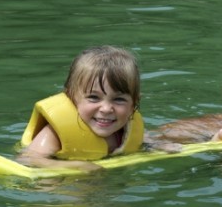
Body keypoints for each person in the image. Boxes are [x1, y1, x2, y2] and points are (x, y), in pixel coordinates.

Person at [18, 45, 147, 170]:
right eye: (94, 97)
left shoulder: (125, 130)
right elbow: (27, 159)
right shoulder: (54, 134)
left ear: (133, 104)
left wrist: (160, 144)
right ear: (71, 98)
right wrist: (76, 166)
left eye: (119, 99)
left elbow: (143, 141)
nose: (106, 109)